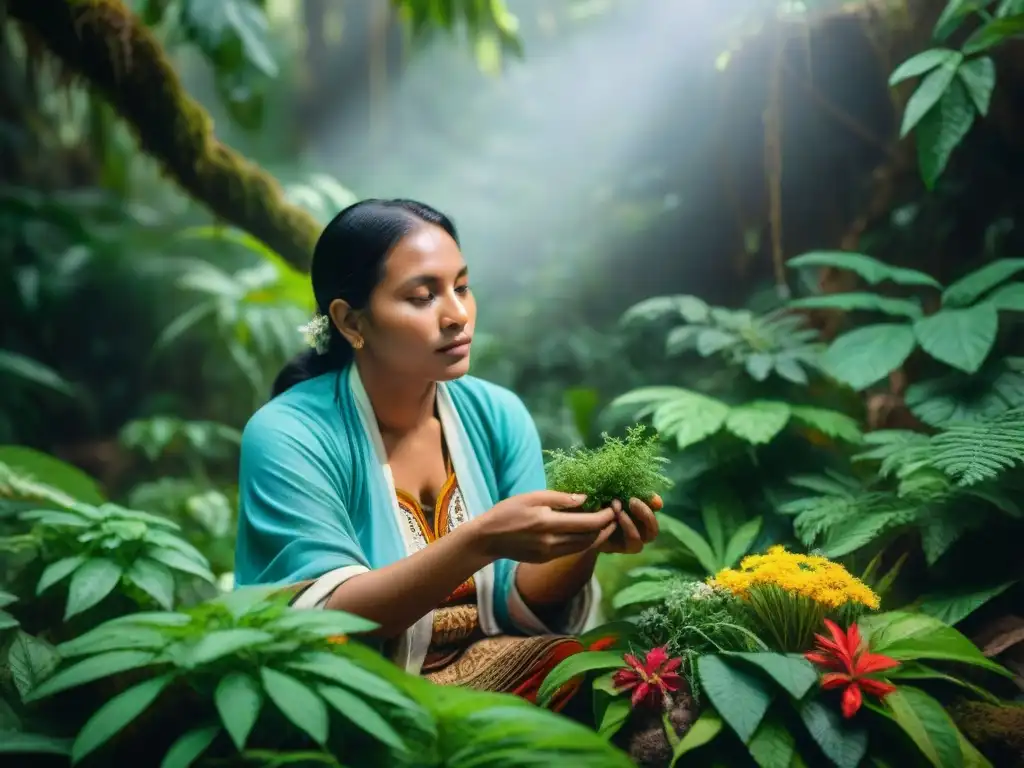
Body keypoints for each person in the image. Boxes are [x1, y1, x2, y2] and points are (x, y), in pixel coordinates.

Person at [234, 199, 659, 708]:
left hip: (491, 666)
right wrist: (479, 540)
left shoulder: (497, 415)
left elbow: (517, 603)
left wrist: (583, 540)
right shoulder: (288, 433)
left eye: (461, 287)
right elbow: (329, 621)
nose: (457, 316)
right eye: (421, 296)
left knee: (642, 681)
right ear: (351, 322)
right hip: (358, 694)